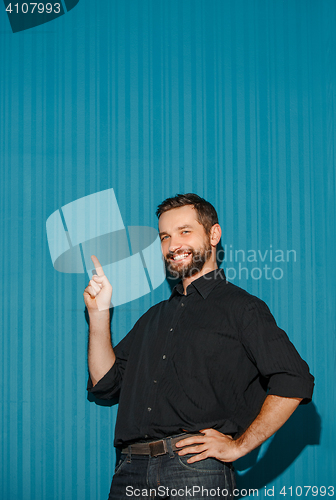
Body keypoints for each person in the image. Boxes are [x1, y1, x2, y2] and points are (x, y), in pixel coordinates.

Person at [84, 193, 314, 499]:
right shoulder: (153, 318)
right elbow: (105, 384)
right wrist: (98, 315)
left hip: (195, 471)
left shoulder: (242, 308)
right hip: (130, 471)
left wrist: (239, 445)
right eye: (165, 236)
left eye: (185, 231)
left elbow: (294, 380)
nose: (173, 245)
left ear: (214, 234)